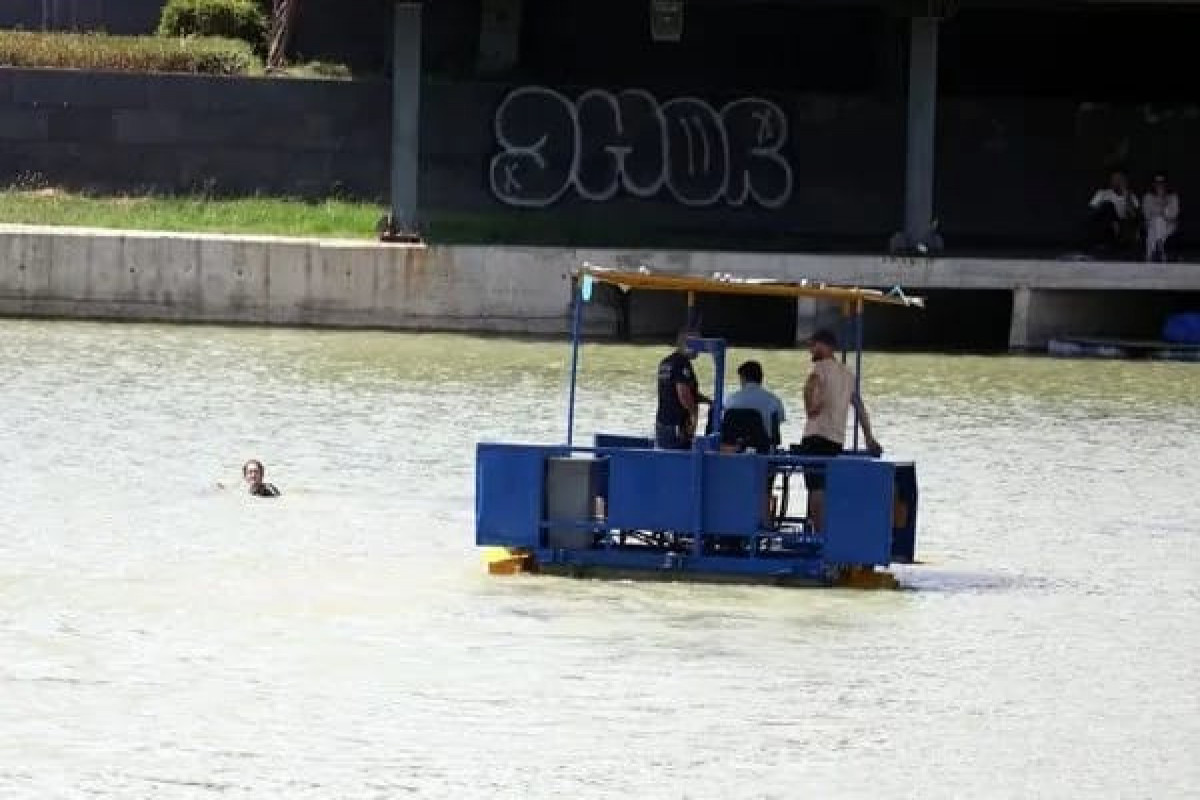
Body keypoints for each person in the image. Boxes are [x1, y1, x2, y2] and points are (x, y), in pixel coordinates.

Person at [797, 329, 881, 532]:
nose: (810, 350)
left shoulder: (821, 366)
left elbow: (810, 386)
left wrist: (810, 406)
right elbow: (859, 407)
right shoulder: (847, 374)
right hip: (835, 439)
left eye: (813, 345)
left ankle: (818, 535)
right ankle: (823, 531)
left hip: (816, 435)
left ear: (825, 346)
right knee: (824, 487)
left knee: (815, 488)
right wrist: (869, 438)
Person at [655, 330, 709, 450]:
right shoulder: (682, 363)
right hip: (677, 426)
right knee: (678, 461)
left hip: (663, 422)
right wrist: (693, 413)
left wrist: (707, 401)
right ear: (688, 344)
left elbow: (674, 392)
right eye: (698, 344)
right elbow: (683, 395)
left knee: (665, 457)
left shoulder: (666, 362)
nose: (700, 349)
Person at [724, 360, 786, 451]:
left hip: (734, 449)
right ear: (761, 378)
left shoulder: (731, 399)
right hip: (763, 449)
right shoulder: (774, 400)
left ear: (743, 378)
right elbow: (778, 423)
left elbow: (725, 422)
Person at [1087, 170, 1141, 256]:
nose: (1117, 182)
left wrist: (1127, 196)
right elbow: (1091, 212)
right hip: (1104, 226)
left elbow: (1134, 216)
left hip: (1123, 228)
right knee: (1108, 205)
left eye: (1120, 179)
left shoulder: (1131, 196)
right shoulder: (1102, 193)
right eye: (1115, 179)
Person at [1142, 173, 1180, 262]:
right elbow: (1147, 214)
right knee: (1155, 224)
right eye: (1157, 183)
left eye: (1162, 183)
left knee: (1156, 225)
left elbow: (1173, 214)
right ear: (1153, 184)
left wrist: (1162, 203)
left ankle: (1150, 255)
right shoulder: (1148, 197)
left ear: (1166, 184)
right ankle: (1160, 249)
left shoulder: (1173, 197)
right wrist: (1162, 211)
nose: (1159, 186)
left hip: (1169, 226)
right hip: (1152, 225)